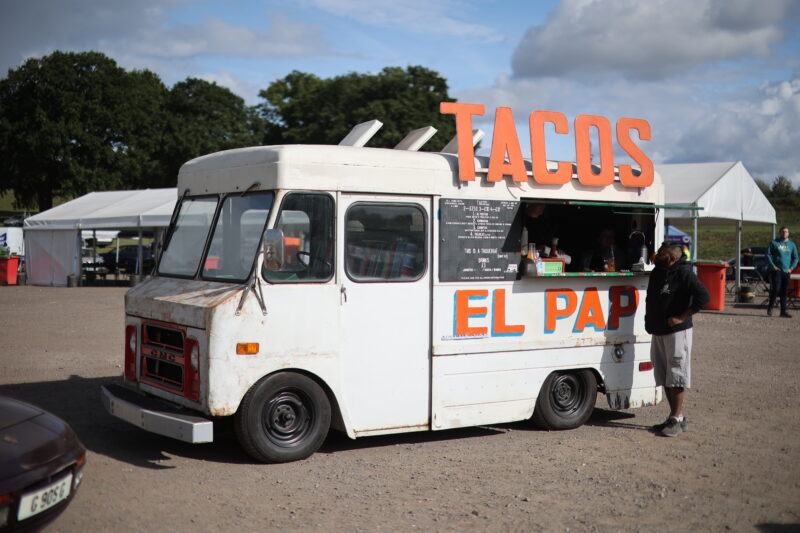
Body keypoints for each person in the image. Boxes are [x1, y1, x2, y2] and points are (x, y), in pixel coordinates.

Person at [645, 244, 710, 437]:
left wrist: (681, 317)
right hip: (658, 330)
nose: (658, 254)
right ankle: (675, 418)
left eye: (662, 252)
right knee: (665, 375)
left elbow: (703, 297)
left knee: (677, 374)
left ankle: (677, 416)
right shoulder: (657, 272)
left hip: (677, 332)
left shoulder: (684, 272)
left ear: (672, 256)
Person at [766, 226, 799, 318]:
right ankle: (770, 307)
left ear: (788, 233)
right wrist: (773, 266)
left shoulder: (791, 245)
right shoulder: (774, 243)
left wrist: (791, 268)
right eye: (783, 232)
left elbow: (796, 258)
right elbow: (768, 254)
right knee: (776, 289)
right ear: (780, 233)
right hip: (777, 270)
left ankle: (783, 311)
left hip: (786, 271)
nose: (784, 233)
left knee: (784, 291)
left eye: (786, 232)